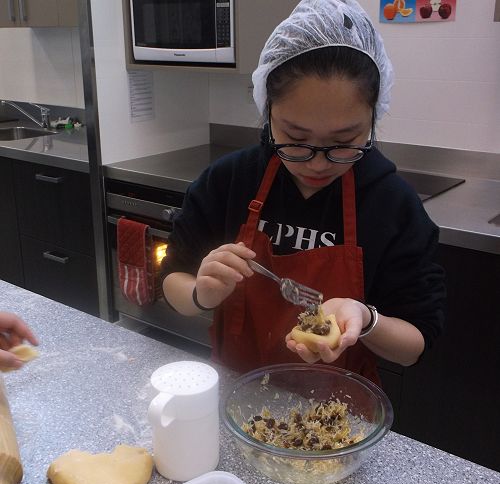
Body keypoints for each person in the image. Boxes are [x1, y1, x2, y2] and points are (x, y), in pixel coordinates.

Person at [161, 0, 446, 384]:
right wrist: (201, 293)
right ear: (268, 113)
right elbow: (171, 281)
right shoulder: (230, 180)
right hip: (236, 401)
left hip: (339, 419)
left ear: (373, 120)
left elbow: (416, 342)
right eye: (295, 139)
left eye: (344, 141)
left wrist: (365, 318)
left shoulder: (392, 204)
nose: (317, 163)